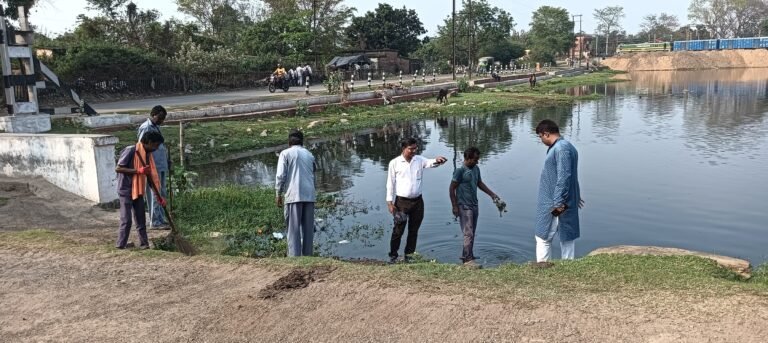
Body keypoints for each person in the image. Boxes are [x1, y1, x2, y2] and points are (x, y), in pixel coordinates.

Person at [385, 137, 448, 263]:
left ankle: (409, 256)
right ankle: (393, 256)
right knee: (398, 230)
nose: (414, 151)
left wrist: (438, 160)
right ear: (404, 148)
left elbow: (430, 163)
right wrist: (390, 203)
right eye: (411, 149)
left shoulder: (419, 160)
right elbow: (390, 184)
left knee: (413, 230)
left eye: (415, 148)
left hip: (418, 202)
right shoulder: (394, 163)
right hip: (402, 202)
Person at [534, 119, 584, 262]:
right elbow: (571, 176)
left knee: (543, 236)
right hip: (564, 200)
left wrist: (558, 203)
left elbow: (564, 176)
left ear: (546, 134)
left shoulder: (561, 149)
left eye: (540, 137)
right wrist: (575, 194)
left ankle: (543, 266)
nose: (541, 140)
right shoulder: (567, 146)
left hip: (555, 202)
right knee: (566, 236)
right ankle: (567, 265)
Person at [449, 147, 499, 268]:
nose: (477, 162)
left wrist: (492, 195)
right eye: (475, 159)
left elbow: (479, 183)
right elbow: (451, 189)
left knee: (472, 232)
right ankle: (468, 260)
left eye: (477, 159)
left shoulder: (476, 169)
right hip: (464, 206)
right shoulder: (460, 171)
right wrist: (455, 206)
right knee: (468, 233)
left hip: (474, 204)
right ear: (467, 158)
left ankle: (467, 255)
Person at [115, 131, 166, 249]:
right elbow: (118, 168)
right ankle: (120, 245)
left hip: (138, 190)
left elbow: (150, 177)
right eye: (156, 145)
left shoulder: (148, 155)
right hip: (126, 189)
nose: (156, 148)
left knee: (141, 219)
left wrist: (159, 197)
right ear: (149, 142)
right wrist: (138, 171)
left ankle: (144, 244)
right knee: (126, 220)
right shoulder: (131, 151)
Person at [276, 130, 317, 257]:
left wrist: (278, 193)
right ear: (302, 142)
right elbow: (313, 171)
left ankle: (294, 257)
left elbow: (281, 175)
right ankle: (308, 256)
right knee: (308, 229)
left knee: (293, 229)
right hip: (309, 195)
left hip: (293, 195)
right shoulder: (309, 154)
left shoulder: (285, 153)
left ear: (289, 142)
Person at [137, 105, 170, 230]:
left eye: (163, 118)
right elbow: (142, 148)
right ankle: (155, 222)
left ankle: (160, 218)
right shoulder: (146, 128)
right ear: (153, 115)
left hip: (160, 165)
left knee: (161, 193)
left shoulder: (156, 127)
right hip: (152, 166)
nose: (162, 121)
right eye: (160, 118)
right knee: (154, 194)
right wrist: (146, 166)